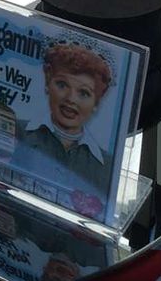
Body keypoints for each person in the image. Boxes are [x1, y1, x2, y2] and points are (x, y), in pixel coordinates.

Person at [11, 41, 114, 212]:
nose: (71, 99)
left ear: (96, 102)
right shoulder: (16, 131)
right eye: (62, 85)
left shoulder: (107, 166)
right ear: (47, 84)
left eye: (84, 93)